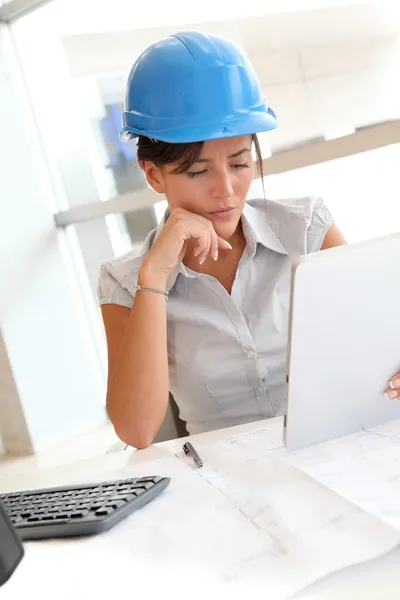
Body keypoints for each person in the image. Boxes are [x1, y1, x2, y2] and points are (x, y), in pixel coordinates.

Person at [97, 31, 400, 448]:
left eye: (240, 163)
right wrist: (155, 275)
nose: (226, 190)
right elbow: (136, 430)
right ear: (153, 174)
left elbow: (380, 344)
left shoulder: (307, 229)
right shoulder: (124, 281)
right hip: (226, 482)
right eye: (198, 172)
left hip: (339, 450)